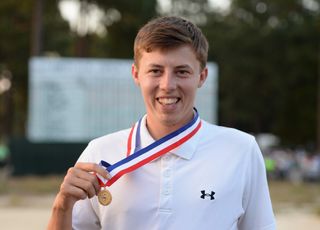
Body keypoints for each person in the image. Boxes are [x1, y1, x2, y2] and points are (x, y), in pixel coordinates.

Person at [47, 16, 276, 230]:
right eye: (155, 70)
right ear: (136, 75)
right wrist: (62, 206)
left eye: (182, 72)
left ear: (202, 77)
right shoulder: (99, 152)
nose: (167, 85)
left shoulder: (241, 150)